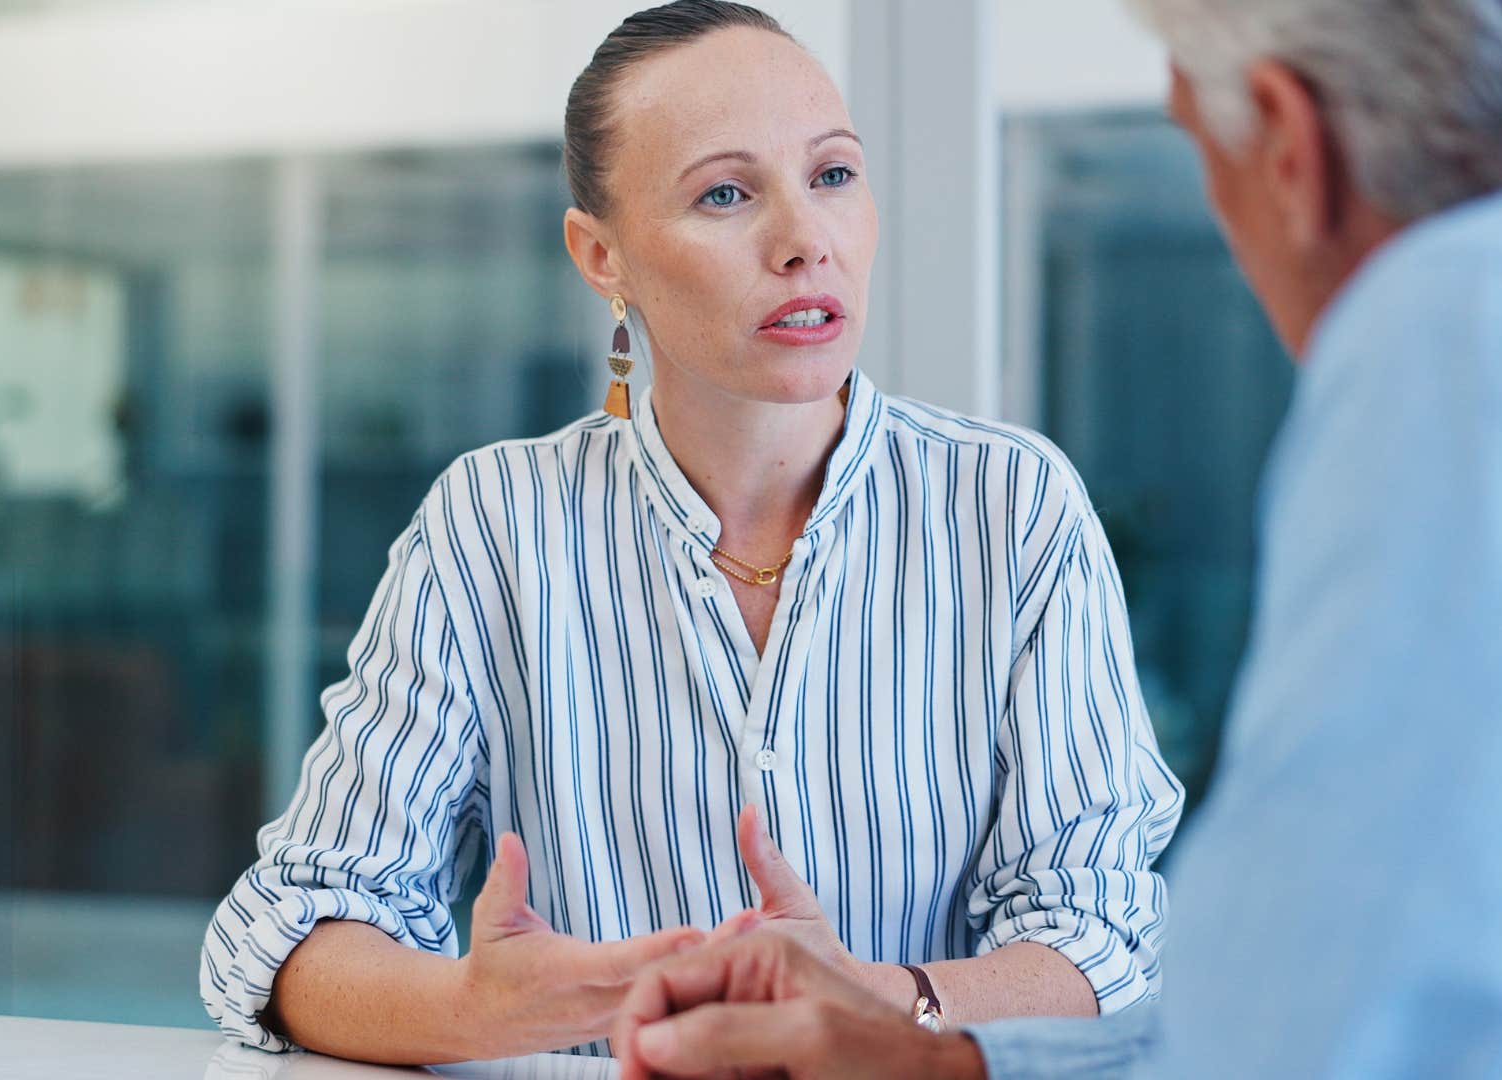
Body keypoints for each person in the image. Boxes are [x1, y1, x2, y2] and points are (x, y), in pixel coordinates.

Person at [610, 1, 1502, 1076]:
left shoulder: (1487, 325)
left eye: (1193, 141)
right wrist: (948, 1057)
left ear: (1292, 151)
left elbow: (1326, 1039)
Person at [198, 0, 1183, 1064]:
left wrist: (880, 1001)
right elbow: (285, 928)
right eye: (725, 193)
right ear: (601, 255)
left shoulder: (1012, 507)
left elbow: (1102, 937)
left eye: (834, 175)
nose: (806, 241)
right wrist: (478, 1008)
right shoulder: (494, 526)